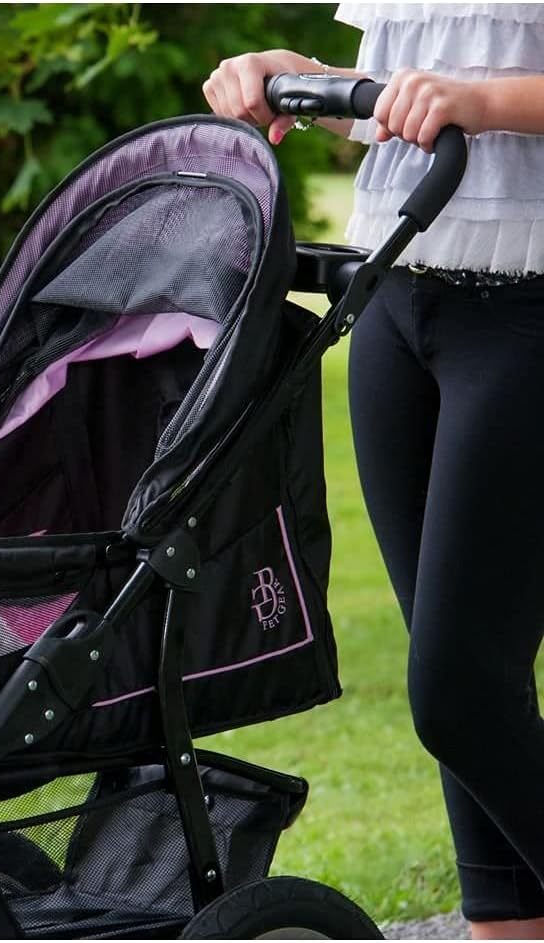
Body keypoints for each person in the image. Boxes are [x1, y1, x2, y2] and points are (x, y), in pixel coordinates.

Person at [203, 5, 544, 940]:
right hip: (394, 293)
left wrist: (480, 102)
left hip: (528, 310)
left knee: (459, 692)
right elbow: (409, 100)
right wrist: (307, 80)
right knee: (475, 679)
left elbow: (469, 92)